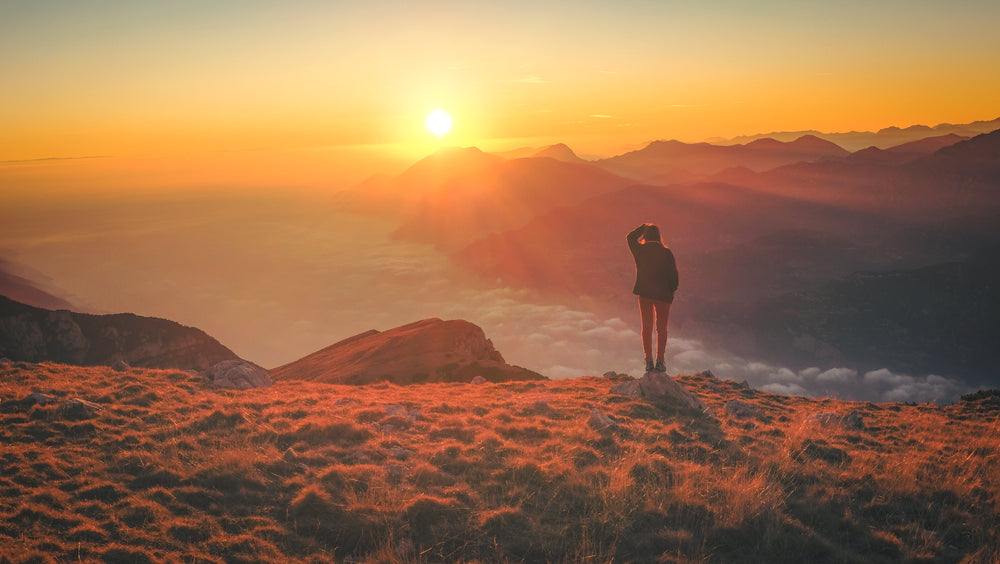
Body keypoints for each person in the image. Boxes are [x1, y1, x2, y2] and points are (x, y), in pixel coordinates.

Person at [627, 223, 679, 373]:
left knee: (646, 328)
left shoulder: (640, 250)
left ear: (646, 236)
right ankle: (660, 361)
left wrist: (642, 228)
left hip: (645, 294)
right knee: (661, 329)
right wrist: (671, 291)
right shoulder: (667, 253)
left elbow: (630, 238)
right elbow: (674, 277)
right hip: (663, 296)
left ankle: (649, 361)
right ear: (658, 236)